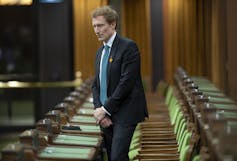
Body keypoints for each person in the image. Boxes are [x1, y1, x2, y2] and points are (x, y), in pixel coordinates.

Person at [91, 6, 148, 161]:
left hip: (125, 112)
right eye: (94, 26)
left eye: (100, 25)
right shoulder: (99, 52)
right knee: (111, 156)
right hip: (105, 114)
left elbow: (126, 84)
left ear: (113, 24)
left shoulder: (128, 47)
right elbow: (96, 84)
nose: (97, 30)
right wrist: (99, 110)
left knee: (117, 157)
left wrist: (105, 109)